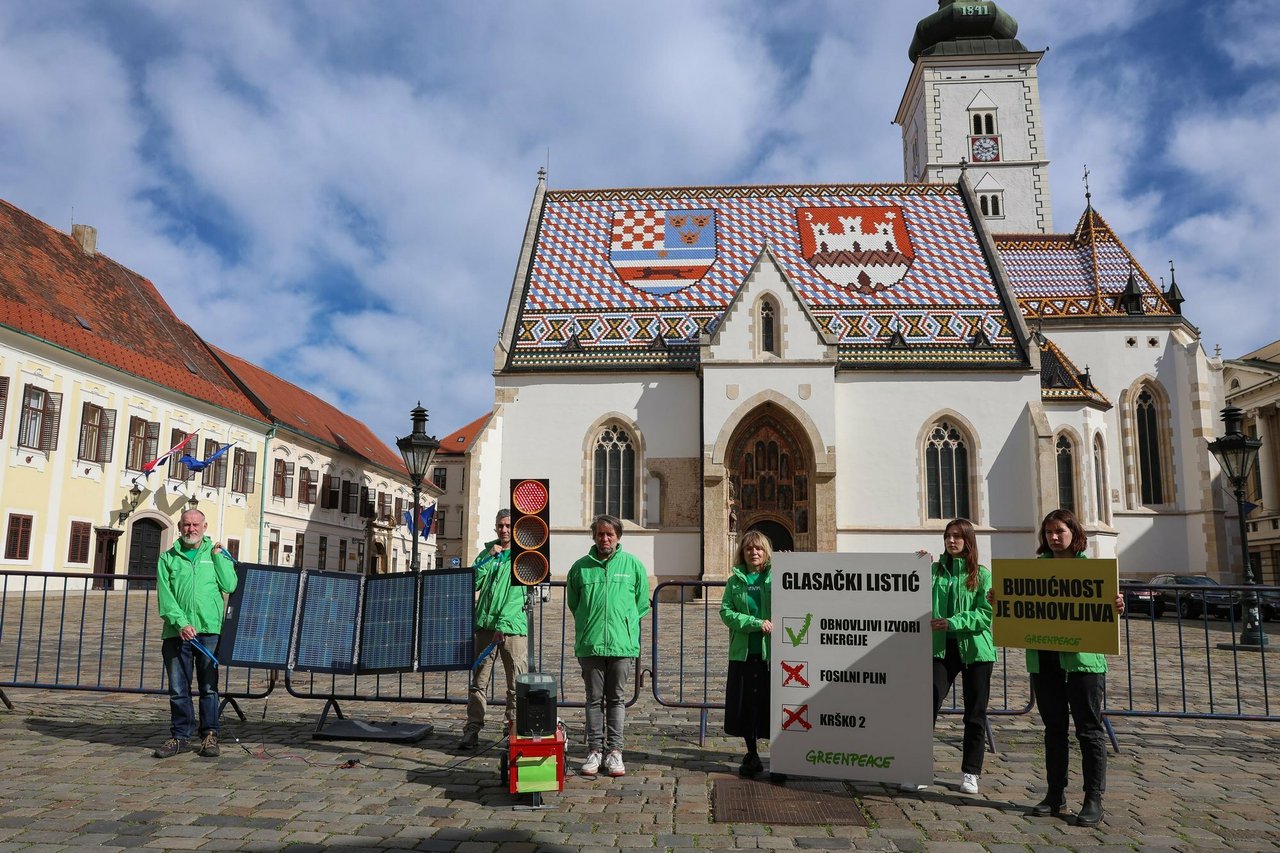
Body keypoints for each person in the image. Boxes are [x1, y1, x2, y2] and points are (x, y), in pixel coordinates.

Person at [1025, 508, 1123, 827]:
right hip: (1045, 659)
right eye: (1049, 532)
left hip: (1084, 661)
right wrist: (999, 599)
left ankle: (1093, 798)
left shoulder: (1092, 571)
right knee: (1054, 730)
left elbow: (1107, 607)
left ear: (1074, 534)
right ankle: (1056, 794)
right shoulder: (1032, 571)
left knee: (1089, 730)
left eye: (1060, 532)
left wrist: (1119, 604)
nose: (1054, 537)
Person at [566, 514, 650, 778]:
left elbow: (641, 604)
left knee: (616, 700)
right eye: (600, 534)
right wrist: (590, 622)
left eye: (610, 534)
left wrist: (624, 625)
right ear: (594, 536)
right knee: (593, 700)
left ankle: (614, 751)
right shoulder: (580, 568)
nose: (605, 538)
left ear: (618, 537)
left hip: (621, 644)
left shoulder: (633, 565)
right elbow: (574, 603)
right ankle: (594, 750)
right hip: (591, 644)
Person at [153, 508, 238, 759]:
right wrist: (180, 623)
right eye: (186, 525)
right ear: (180, 527)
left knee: (209, 688)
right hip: (176, 633)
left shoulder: (214, 555)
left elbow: (230, 585)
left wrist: (220, 557)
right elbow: (165, 598)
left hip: (209, 631)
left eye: (196, 525)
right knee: (178, 689)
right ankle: (180, 736)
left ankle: (210, 735)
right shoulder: (168, 558)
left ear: (205, 526)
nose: (191, 529)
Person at [925, 518, 994, 795]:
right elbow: (909, 587)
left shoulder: (982, 574)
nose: (951, 541)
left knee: (975, 714)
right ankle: (918, 767)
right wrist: (915, 564)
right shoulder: (933, 571)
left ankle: (970, 772)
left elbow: (985, 615)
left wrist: (954, 622)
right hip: (941, 648)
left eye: (957, 536)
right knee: (926, 703)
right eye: (947, 536)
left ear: (968, 540)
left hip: (976, 649)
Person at [458, 509, 528, 749]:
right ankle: (472, 728)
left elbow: (518, 595)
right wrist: (488, 558)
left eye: (508, 525)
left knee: (516, 683)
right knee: (479, 681)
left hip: (512, 628)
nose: (504, 530)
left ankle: (514, 731)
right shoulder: (487, 554)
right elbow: (472, 581)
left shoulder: (523, 556)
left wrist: (502, 625)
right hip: (485, 626)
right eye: (500, 526)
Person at [719, 530, 773, 778]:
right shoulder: (735, 581)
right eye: (749, 548)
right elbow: (726, 612)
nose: (754, 552)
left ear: (766, 552)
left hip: (771, 652)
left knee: (771, 703)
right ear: (742, 552)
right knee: (746, 704)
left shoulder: (776, 577)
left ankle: (780, 755)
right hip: (743, 652)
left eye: (759, 548)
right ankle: (751, 753)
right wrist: (754, 622)